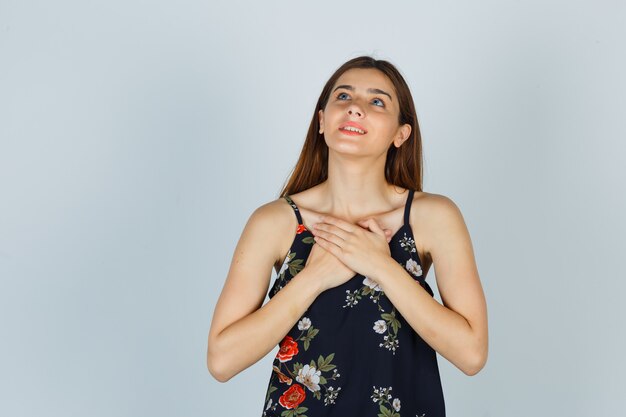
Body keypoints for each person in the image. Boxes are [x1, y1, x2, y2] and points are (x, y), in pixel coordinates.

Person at [206, 55, 488, 417]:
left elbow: (472, 354)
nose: (355, 109)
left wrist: (379, 265)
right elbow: (221, 360)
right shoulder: (274, 222)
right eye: (343, 97)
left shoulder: (433, 217)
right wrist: (314, 278)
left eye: (376, 101)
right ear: (322, 121)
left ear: (401, 134)